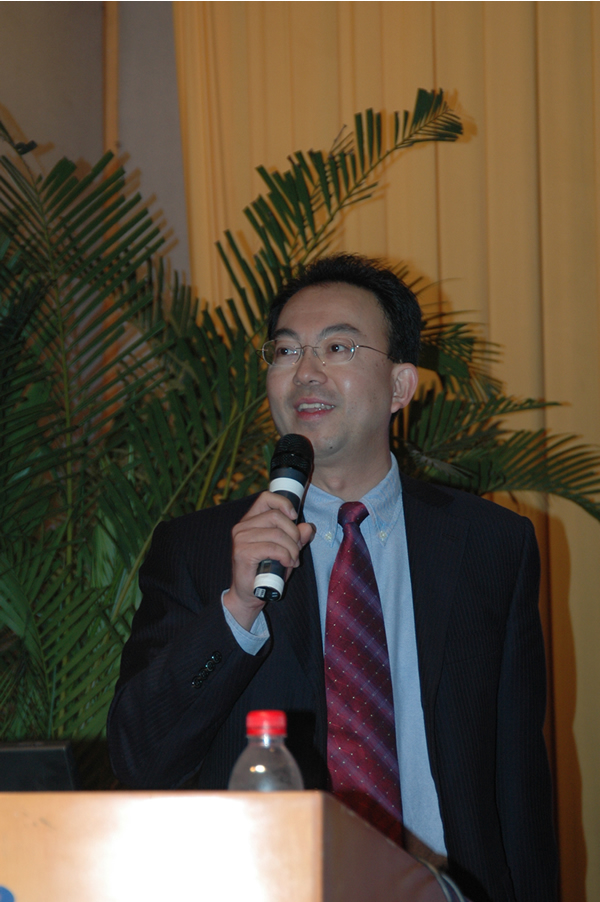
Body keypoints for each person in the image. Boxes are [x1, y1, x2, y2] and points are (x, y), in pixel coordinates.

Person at [107, 254, 558, 902]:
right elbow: (139, 759)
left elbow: (519, 778)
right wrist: (237, 608)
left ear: (401, 385)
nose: (306, 372)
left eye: (338, 347)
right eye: (286, 351)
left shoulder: (491, 544)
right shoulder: (198, 549)